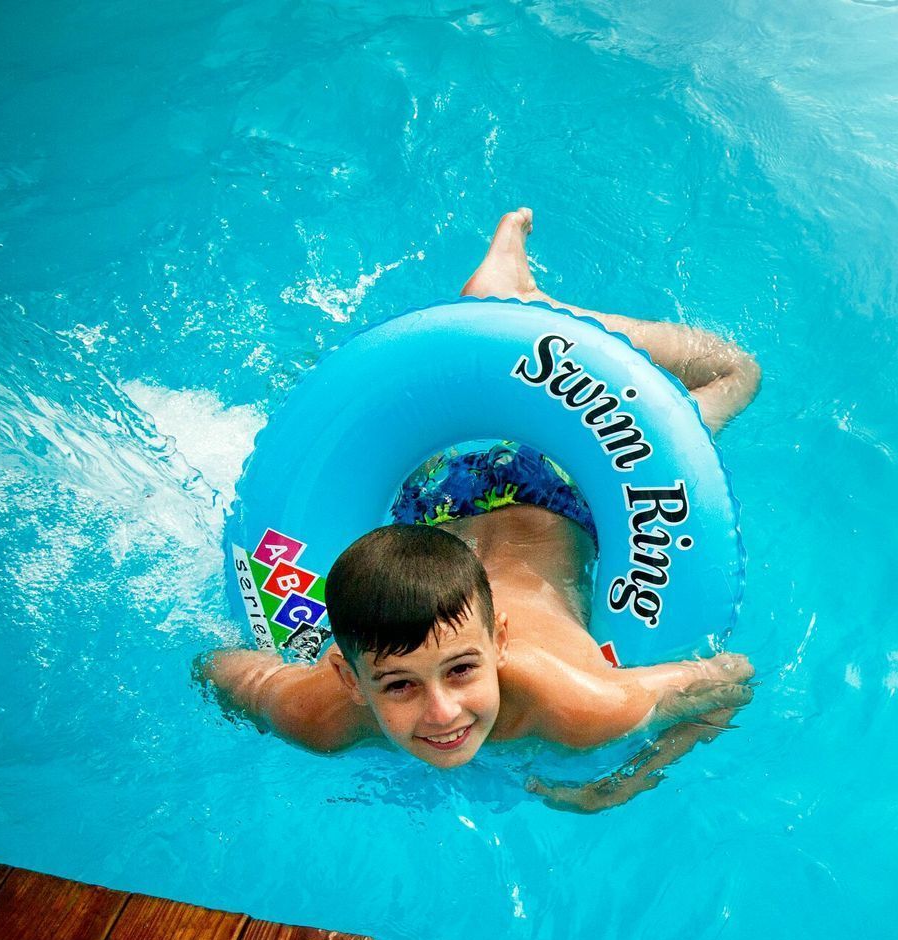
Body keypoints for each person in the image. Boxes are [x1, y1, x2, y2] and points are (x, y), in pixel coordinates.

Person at [203, 208, 760, 810]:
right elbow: (222, 669)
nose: (442, 712)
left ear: (499, 642)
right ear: (348, 678)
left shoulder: (583, 704)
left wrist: (626, 781)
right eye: (397, 685)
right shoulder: (317, 712)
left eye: (462, 670)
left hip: (562, 496)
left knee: (735, 372)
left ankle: (525, 307)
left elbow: (731, 680)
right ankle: (503, 308)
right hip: (432, 510)